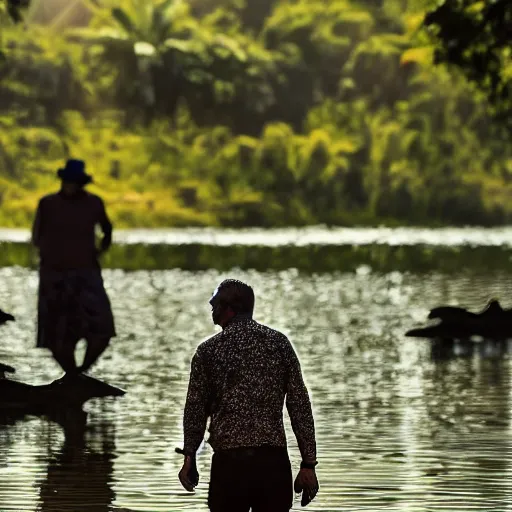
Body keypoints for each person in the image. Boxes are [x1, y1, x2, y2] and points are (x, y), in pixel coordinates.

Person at [177, 279, 319, 511]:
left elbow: (195, 410)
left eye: (215, 302)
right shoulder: (279, 344)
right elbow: (300, 406)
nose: (211, 305)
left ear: (229, 307)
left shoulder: (208, 352)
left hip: (230, 465)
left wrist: (189, 457)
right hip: (272, 464)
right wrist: (308, 464)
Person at [31, 159, 116, 375]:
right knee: (56, 335)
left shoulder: (94, 203)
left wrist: (99, 251)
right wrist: (51, 257)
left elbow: (107, 229)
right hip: (54, 275)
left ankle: (81, 373)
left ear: (81, 183)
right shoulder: (47, 204)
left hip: (86, 274)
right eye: (66, 181)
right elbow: (37, 236)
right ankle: (71, 375)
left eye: (73, 182)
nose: (69, 185)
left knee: (102, 330)